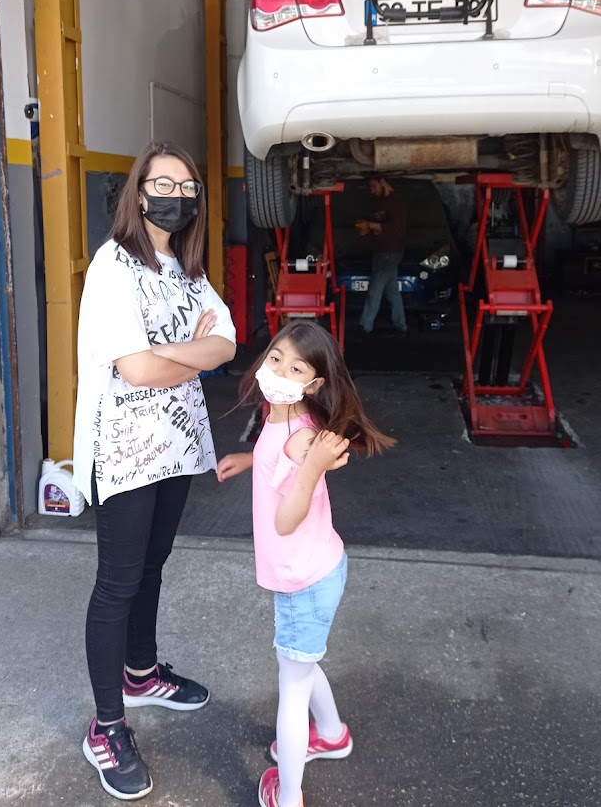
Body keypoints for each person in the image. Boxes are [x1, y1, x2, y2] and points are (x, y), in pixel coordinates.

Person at [73, 140, 237, 801]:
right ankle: (106, 726)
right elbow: (136, 370)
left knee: (152, 566)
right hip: (124, 449)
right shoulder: (113, 266)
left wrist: (179, 351)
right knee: (117, 582)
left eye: (188, 186)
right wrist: (190, 350)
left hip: (176, 443)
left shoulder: (189, 270)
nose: (177, 195)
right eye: (163, 184)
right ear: (138, 194)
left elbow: (226, 343)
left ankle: (140, 673)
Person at [217, 321, 394, 807]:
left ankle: (288, 794)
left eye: (296, 369)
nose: (279, 371)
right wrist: (251, 461)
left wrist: (313, 467)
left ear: (313, 384)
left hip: (304, 582)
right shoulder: (285, 415)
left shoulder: (301, 441)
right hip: (317, 568)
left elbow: (286, 519)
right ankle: (332, 734)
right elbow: (279, 459)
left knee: (292, 687)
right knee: (301, 662)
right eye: (276, 358)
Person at [355, 176, 408, 335]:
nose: (372, 191)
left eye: (374, 187)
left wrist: (369, 225)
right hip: (379, 252)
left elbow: (394, 228)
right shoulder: (379, 202)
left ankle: (365, 325)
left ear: (383, 182)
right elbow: (378, 227)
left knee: (375, 289)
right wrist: (367, 229)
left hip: (391, 253)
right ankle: (400, 324)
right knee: (392, 291)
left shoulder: (397, 202)